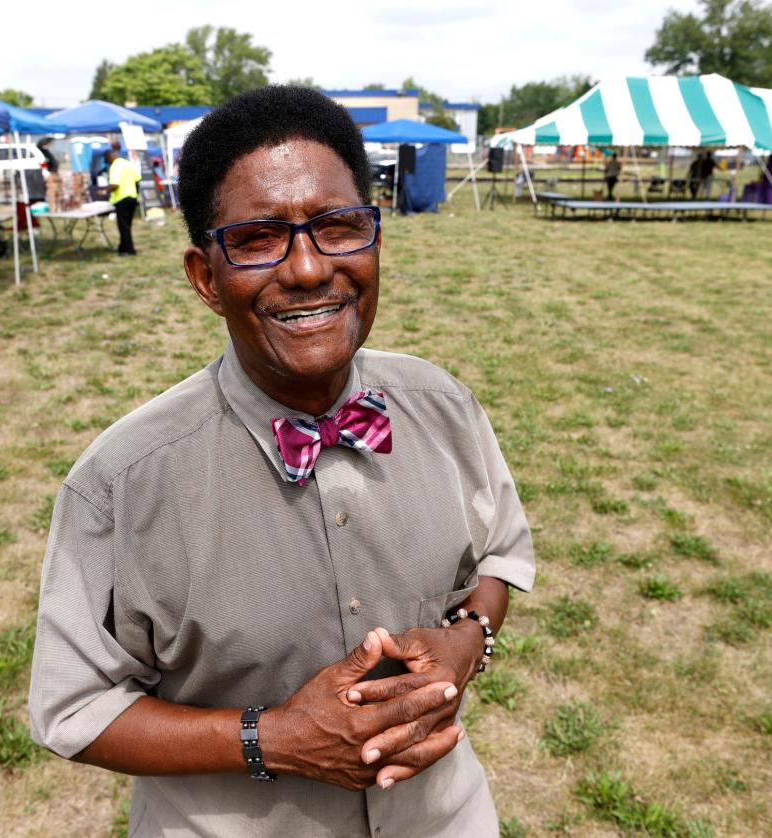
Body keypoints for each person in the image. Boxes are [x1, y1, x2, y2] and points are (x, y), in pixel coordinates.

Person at [28, 85, 535, 837]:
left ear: (375, 241)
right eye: (259, 238)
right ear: (205, 277)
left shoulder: (444, 406)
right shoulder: (123, 484)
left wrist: (468, 640)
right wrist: (271, 740)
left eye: (335, 226)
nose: (305, 269)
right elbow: (75, 708)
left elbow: (499, 554)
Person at [104, 147, 141, 256]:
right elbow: (137, 179)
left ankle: (130, 250)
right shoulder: (128, 163)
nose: (108, 162)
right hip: (132, 198)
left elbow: (115, 184)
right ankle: (122, 247)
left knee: (123, 226)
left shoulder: (115, 166)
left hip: (122, 199)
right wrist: (136, 194)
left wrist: (105, 191)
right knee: (126, 225)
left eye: (107, 160)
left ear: (110, 157)